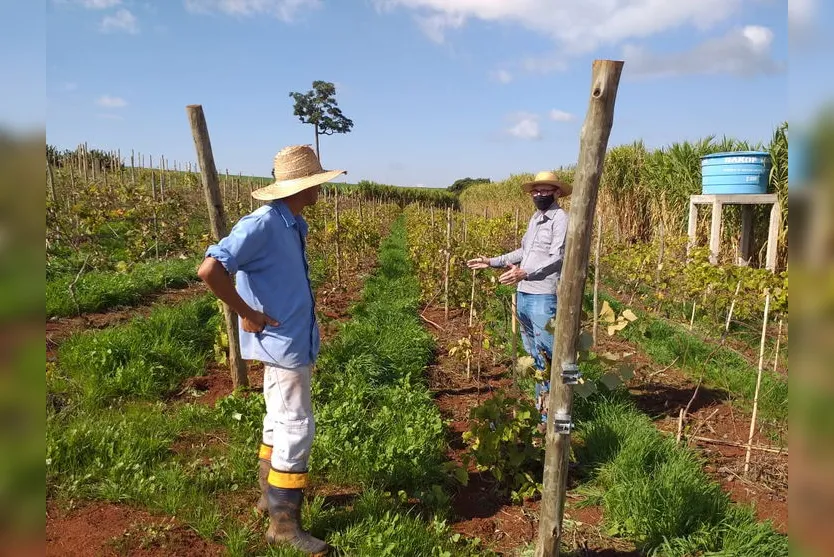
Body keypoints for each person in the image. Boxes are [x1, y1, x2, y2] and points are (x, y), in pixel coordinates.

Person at [197, 144, 345, 555]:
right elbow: (210, 268)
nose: (321, 189)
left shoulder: (290, 222)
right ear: (303, 186)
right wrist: (246, 312)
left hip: (291, 336)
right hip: (282, 341)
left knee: (277, 418)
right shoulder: (262, 223)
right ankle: (284, 526)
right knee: (297, 426)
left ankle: (269, 498)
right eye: (317, 182)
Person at [466, 171, 571, 425]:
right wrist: (491, 261)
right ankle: (542, 409)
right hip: (524, 293)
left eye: (545, 191)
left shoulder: (560, 219)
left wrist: (526, 272)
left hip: (543, 296)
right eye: (536, 191)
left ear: (557, 192)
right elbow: (524, 251)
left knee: (549, 355)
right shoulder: (536, 218)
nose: (539, 195)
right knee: (535, 355)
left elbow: (557, 256)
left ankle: (557, 416)